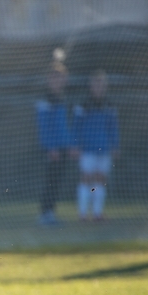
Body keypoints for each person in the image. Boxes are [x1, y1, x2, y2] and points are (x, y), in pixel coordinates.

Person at [73, 69, 119, 222]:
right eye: (95, 84)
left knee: (100, 180)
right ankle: (83, 213)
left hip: (104, 149)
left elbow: (113, 128)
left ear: (105, 86)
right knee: (86, 179)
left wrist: (115, 145)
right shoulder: (83, 105)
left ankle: (97, 213)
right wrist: (75, 145)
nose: (98, 87)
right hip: (87, 149)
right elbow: (76, 127)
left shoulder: (109, 105)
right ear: (90, 86)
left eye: (101, 84)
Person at [35, 60, 76, 226]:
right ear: (49, 80)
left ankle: (51, 212)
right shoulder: (46, 100)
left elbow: (64, 127)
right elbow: (43, 127)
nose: (58, 82)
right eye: (55, 78)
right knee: (50, 180)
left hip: (62, 148)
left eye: (61, 78)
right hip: (52, 150)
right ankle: (45, 213)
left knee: (57, 180)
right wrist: (50, 147)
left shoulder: (63, 99)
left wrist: (70, 145)